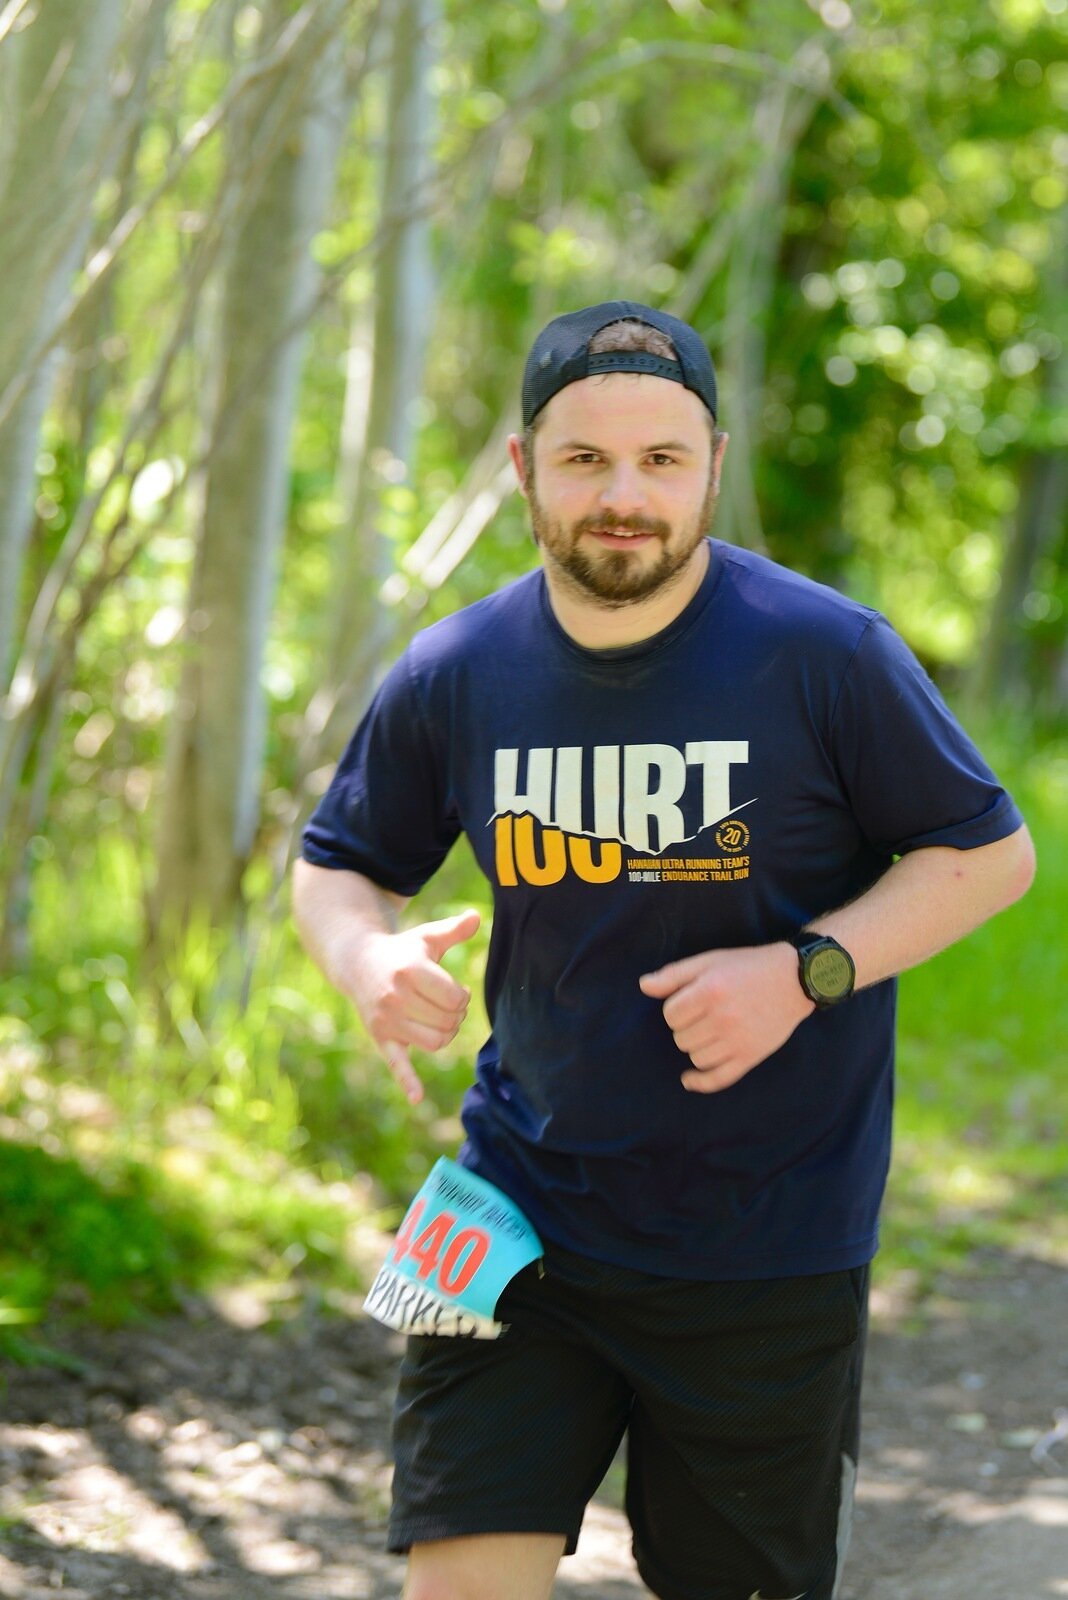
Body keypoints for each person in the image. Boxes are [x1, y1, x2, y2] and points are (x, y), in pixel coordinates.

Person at [291, 300, 1035, 1600]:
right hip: (510, 1213)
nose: (623, 497)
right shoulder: (458, 669)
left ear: (713, 465)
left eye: (661, 460)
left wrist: (802, 973)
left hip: (767, 1237)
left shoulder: (825, 653)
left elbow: (986, 854)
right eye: (585, 459)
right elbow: (339, 862)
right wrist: (366, 961)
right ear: (524, 467)